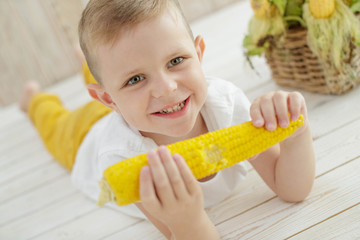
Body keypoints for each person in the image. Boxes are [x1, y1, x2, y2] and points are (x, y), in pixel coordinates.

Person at [19, 0, 316, 239]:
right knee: (53, 122)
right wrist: (188, 221)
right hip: (83, 137)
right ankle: (34, 100)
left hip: (133, 106)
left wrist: (294, 135)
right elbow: (178, 233)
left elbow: (292, 189)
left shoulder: (226, 105)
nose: (167, 88)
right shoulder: (124, 157)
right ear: (108, 99)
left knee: (112, 65)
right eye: (136, 78)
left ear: (198, 54)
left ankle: (92, 65)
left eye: (175, 61)